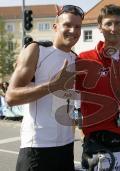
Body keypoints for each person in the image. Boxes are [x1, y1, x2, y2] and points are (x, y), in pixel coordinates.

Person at [5, 5, 84, 171]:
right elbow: (11, 97)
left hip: (66, 146)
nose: (73, 31)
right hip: (37, 148)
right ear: (55, 27)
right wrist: (52, 86)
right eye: (67, 25)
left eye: (78, 27)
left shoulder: (75, 59)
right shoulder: (37, 50)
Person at [75, 4, 120, 170]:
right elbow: (71, 93)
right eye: (108, 24)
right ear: (100, 27)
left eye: (117, 23)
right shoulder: (84, 58)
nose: (113, 28)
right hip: (96, 139)